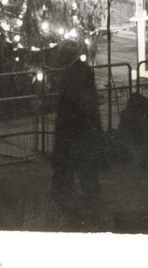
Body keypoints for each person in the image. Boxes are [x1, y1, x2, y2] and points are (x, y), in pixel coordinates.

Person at [50, 58, 106, 222]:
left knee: (70, 168)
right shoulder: (86, 89)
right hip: (82, 135)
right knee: (86, 169)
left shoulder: (70, 86)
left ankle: (66, 197)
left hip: (71, 135)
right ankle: (88, 197)